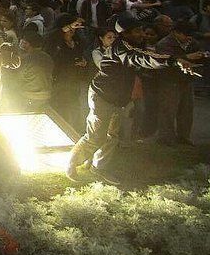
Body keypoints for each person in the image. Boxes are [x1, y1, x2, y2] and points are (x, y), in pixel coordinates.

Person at [67, 16, 188, 184]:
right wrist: (173, 60)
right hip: (102, 95)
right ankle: (72, 163)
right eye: (137, 31)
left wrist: (177, 60)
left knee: (111, 136)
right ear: (125, 33)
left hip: (118, 99)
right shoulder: (121, 48)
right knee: (95, 135)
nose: (142, 34)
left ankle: (99, 167)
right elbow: (141, 58)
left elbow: (146, 55)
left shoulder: (131, 46)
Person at [153, 19, 206, 146]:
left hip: (186, 80)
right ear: (176, 32)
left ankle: (184, 136)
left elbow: (200, 57)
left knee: (186, 110)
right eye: (185, 35)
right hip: (170, 81)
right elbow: (166, 61)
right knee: (168, 110)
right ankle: (166, 138)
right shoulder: (164, 44)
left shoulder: (192, 42)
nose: (188, 38)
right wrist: (187, 58)